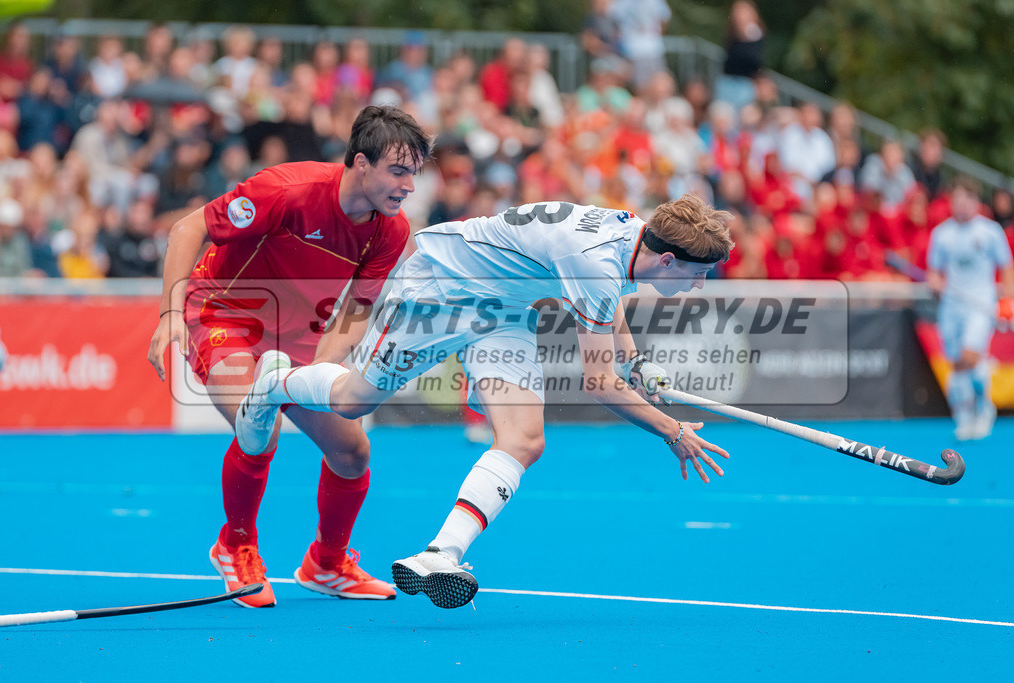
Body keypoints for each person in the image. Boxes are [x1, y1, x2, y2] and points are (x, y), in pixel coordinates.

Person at [234, 193, 734, 609]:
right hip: (439, 290)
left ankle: (440, 553)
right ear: (667, 259)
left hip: (505, 312)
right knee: (351, 402)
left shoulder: (632, 234)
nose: (699, 284)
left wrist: (635, 362)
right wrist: (673, 431)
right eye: (699, 273)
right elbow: (599, 383)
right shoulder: (598, 261)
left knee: (524, 440)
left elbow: (607, 302)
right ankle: (277, 381)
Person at [146, 105, 432, 607]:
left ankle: (327, 563)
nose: (409, 186)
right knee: (259, 422)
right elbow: (187, 229)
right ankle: (234, 547)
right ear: (360, 163)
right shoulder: (286, 190)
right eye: (397, 171)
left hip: (298, 339)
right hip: (223, 313)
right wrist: (170, 314)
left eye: (414, 173)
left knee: (352, 451)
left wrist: (322, 369)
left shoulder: (390, 230)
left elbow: (356, 310)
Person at [927, 178, 1014, 441]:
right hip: (951, 307)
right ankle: (965, 416)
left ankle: (984, 406)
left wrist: (1007, 300)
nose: (962, 204)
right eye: (958, 199)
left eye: (968, 199)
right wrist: (935, 282)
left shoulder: (990, 231)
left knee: (970, 357)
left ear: (977, 202)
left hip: (979, 306)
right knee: (957, 365)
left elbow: (1007, 268)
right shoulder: (941, 234)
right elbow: (934, 272)